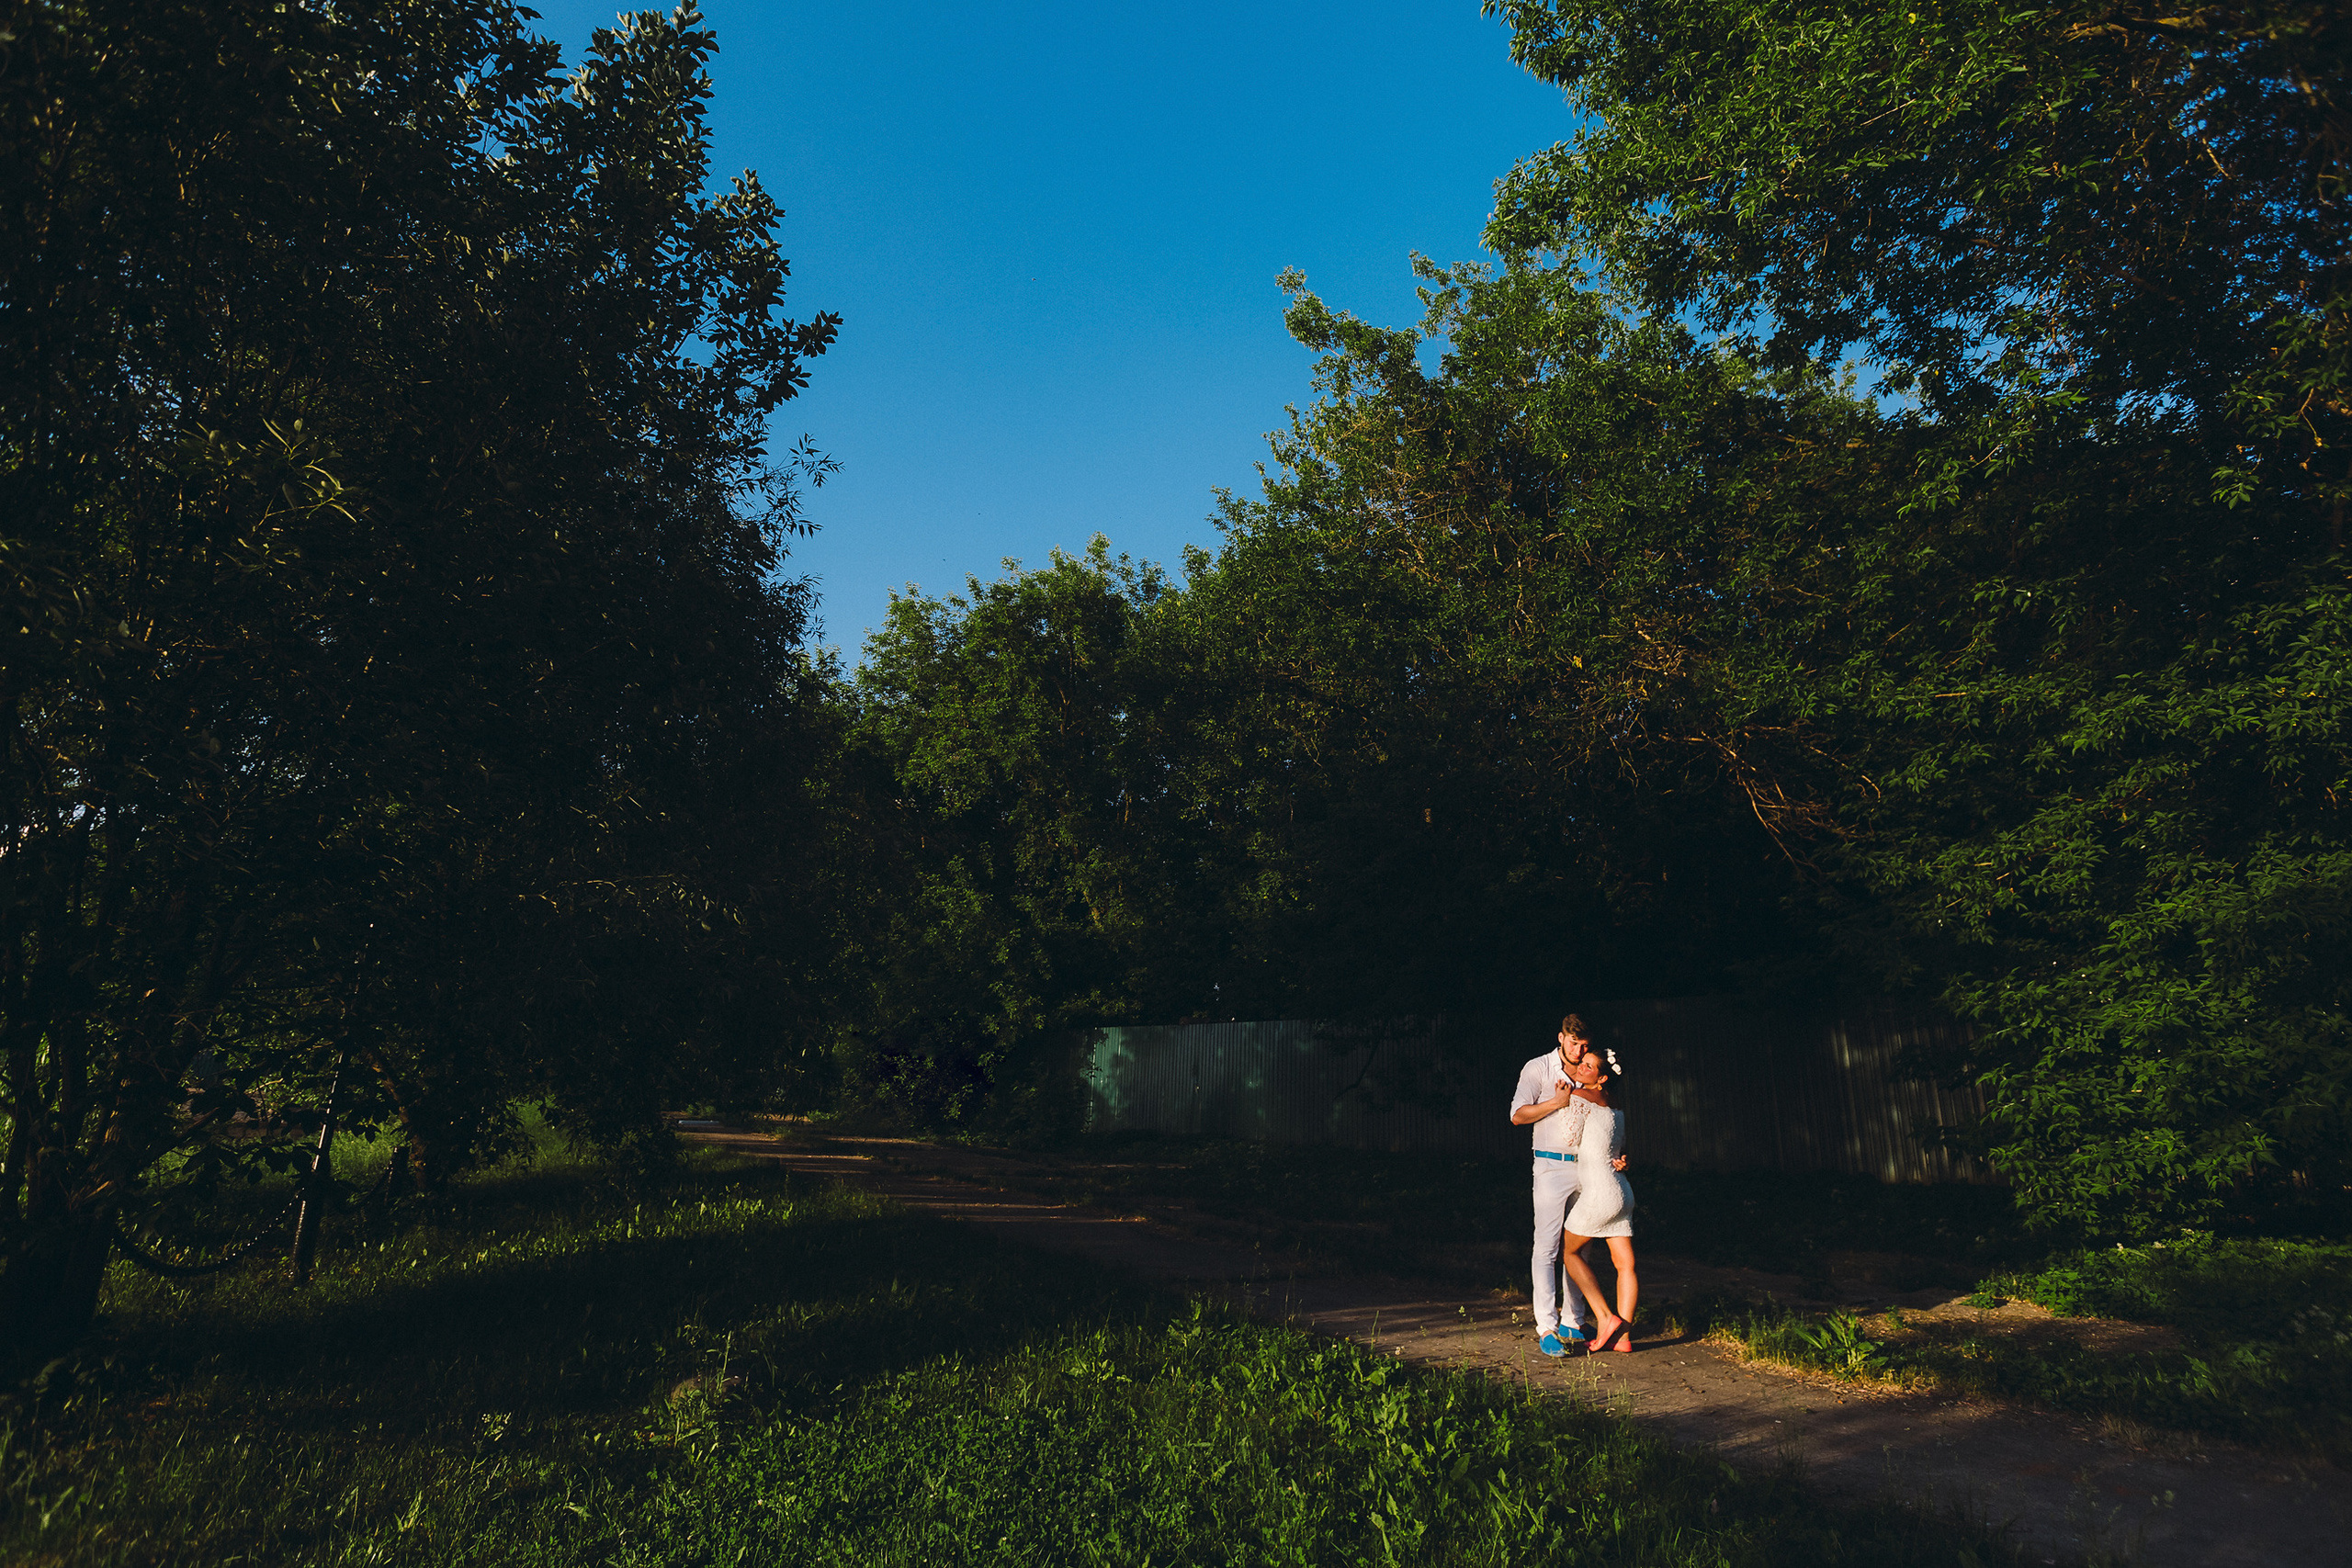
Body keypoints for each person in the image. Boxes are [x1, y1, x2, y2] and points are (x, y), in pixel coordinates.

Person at [1509, 1013, 1623, 1358]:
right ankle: (1547, 1327)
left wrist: (1618, 1156)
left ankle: (1574, 1319)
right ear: (1561, 1038)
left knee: (1580, 1248)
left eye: (1585, 1045)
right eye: (1574, 1043)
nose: (1579, 1051)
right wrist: (1555, 1103)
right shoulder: (1538, 1068)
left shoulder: (1590, 1071)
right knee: (1547, 1246)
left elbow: (1605, 1121)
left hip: (1589, 1168)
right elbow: (1517, 1115)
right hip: (1551, 1166)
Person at [1559, 1044, 1639, 1352]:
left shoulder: (1580, 1097)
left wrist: (1563, 1101)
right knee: (1625, 1264)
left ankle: (1605, 1318)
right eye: (1583, 1063)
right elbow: (1619, 1147)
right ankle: (1623, 1339)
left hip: (1600, 1192)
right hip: (1622, 1190)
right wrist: (1624, 1160)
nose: (1581, 1067)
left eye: (1589, 1066)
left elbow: (1569, 1137)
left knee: (1569, 1252)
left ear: (1602, 1078)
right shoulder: (1615, 1105)